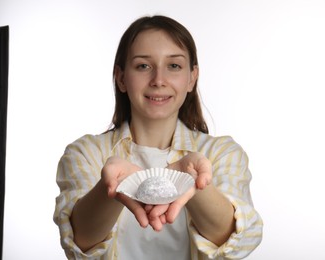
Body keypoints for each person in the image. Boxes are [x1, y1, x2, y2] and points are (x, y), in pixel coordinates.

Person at [53, 15, 263, 259]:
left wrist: (194, 182)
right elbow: (79, 242)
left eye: (173, 66)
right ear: (121, 77)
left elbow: (235, 242)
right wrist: (108, 187)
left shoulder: (222, 153)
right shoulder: (85, 153)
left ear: (192, 78)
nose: (158, 81)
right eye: (143, 66)